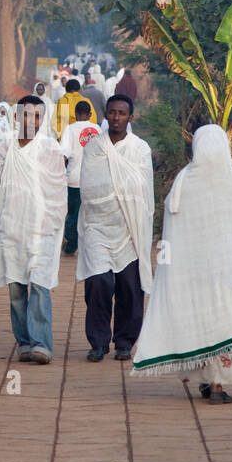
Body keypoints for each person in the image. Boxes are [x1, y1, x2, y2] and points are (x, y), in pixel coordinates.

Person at [131, 123, 232, 401]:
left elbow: (171, 229)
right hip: (230, 272)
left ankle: (207, 380)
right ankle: (216, 387)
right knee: (228, 321)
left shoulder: (183, 182)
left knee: (201, 320)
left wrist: (173, 267)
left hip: (193, 272)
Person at [77, 95, 154, 361]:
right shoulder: (94, 147)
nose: (116, 117)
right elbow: (89, 186)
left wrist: (120, 194)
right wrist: (113, 195)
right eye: (112, 113)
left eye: (122, 113)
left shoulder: (139, 149)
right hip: (97, 224)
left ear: (130, 117)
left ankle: (124, 341)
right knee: (98, 283)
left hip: (130, 225)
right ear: (106, 115)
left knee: (129, 288)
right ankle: (98, 342)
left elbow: (142, 189)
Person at [0, 94, 66, 364]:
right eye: (26, 114)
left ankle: (41, 343)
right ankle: (23, 341)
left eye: (36, 116)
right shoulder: (4, 147)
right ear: (16, 116)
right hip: (11, 226)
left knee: (40, 284)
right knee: (16, 288)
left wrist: (55, 225)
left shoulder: (51, 149)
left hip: (41, 228)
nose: (31, 120)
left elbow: (58, 191)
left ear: (42, 119)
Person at [59, 100, 101, 254]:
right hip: (95, 179)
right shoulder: (97, 129)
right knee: (91, 214)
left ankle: (71, 244)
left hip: (74, 179)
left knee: (73, 213)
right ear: (90, 115)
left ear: (75, 114)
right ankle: (90, 245)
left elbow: (63, 154)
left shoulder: (70, 129)